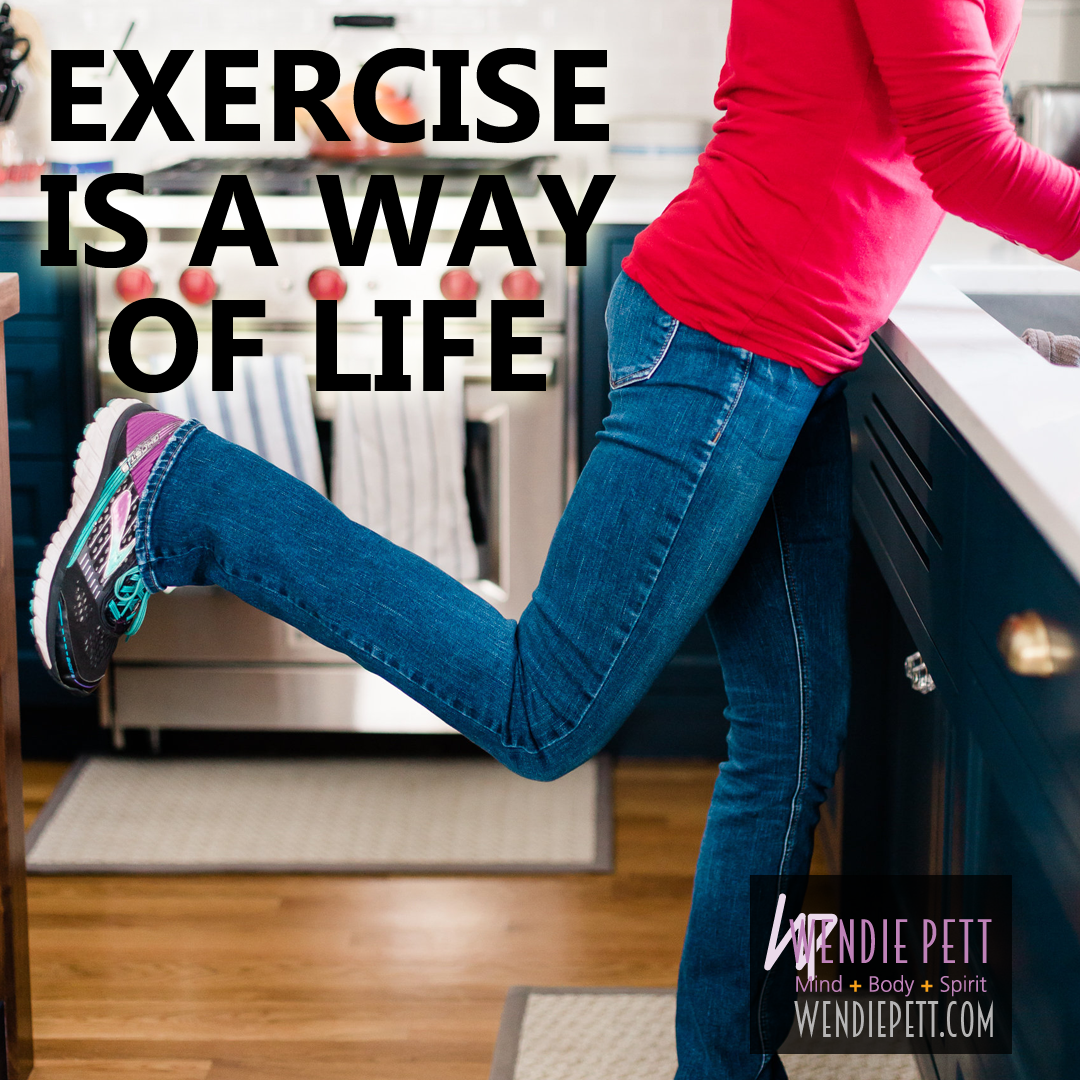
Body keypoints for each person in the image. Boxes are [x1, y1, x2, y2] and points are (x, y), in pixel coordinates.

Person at [30, 0, 1080, 1076]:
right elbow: (964, 149)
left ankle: (724, 1067)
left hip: (795, 345)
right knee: (547, 710)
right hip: (732, 338)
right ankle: (183, 491)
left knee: (796, 727)